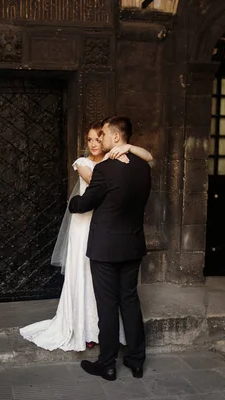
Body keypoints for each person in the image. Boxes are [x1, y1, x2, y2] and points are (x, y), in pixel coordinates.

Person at [19, 120, 152, 352]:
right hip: (97, 230)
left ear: (111, 139)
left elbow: (98, 191)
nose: (94, 143)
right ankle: (89, 332)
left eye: (99, 138)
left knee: (107, 294)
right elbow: (98, 187)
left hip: (105, 232)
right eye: (89, 139)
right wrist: (117, 164)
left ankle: (105, 349)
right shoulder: (103, 165)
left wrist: (125, 153)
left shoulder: (112, 166)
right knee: (99, 284)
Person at [69, 116, 151, 381]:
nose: (100, 139)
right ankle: (136, 361)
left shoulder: (105, 169)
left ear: (116, 137)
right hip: (133, 245)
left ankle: (107, 364)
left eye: (103, 134)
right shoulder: (143, 167)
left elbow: (85, 204)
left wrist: (73, 204)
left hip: (105, 247)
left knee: (107, 304)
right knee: (130, 301)